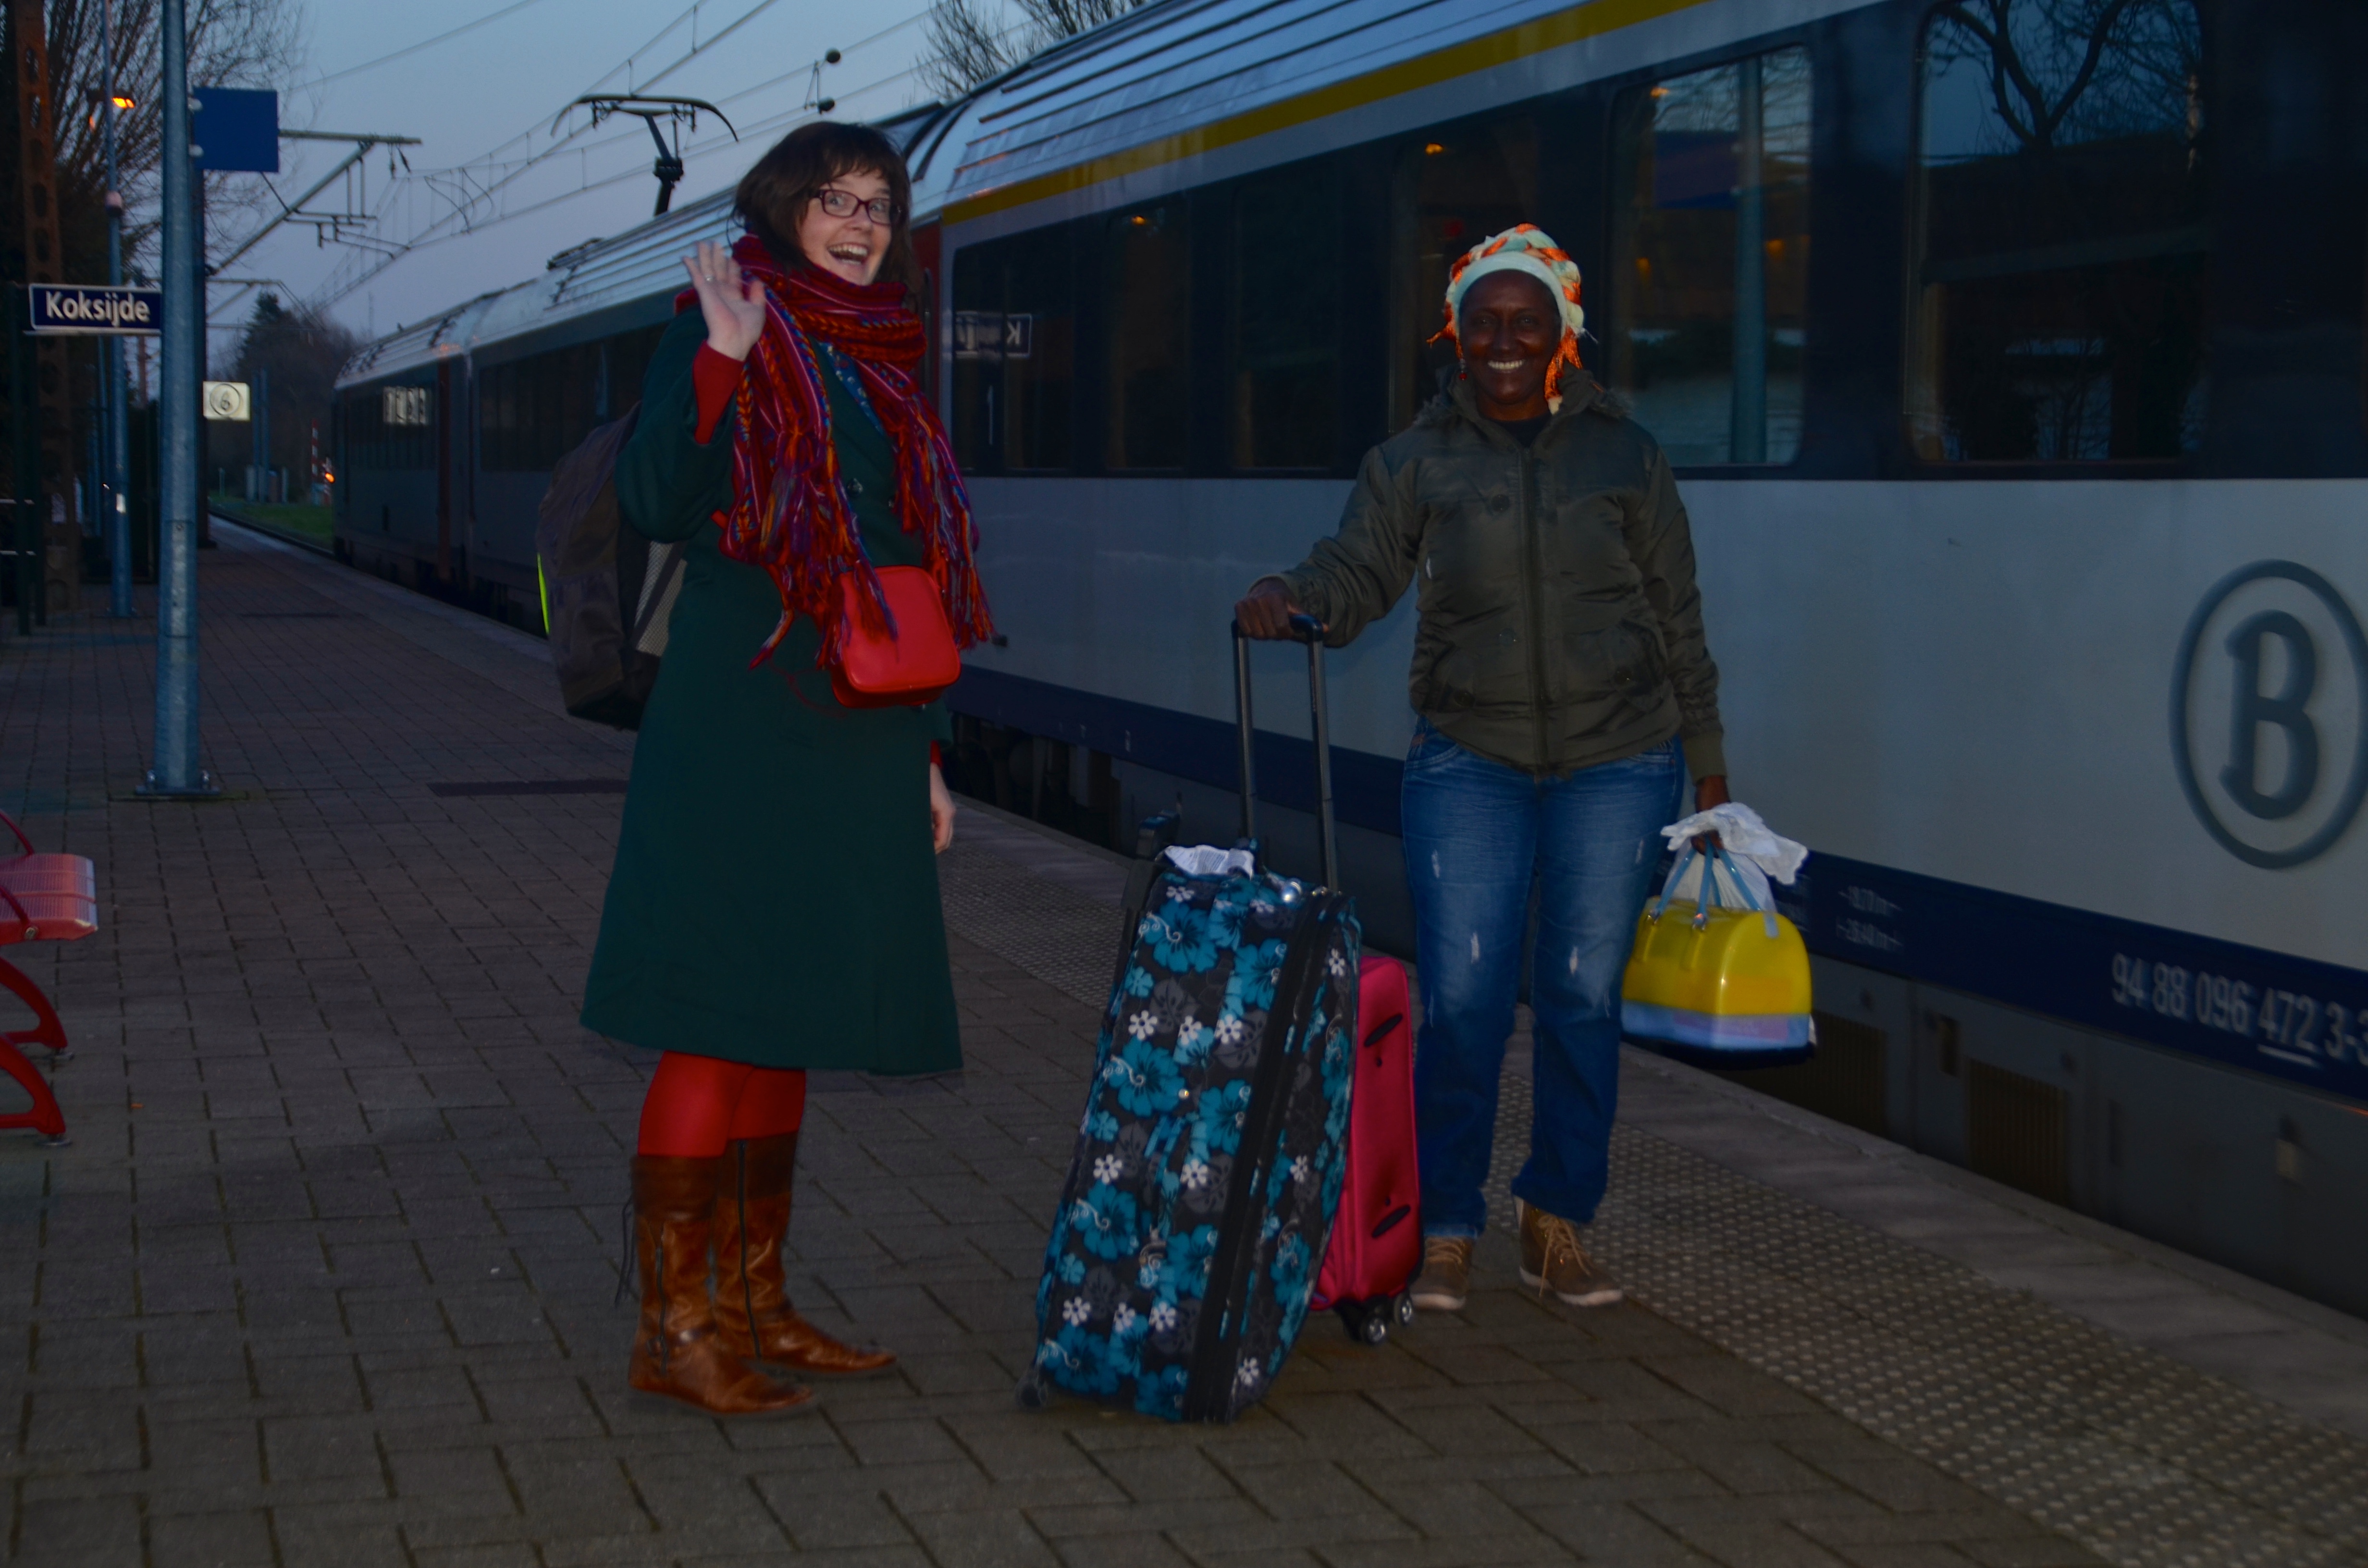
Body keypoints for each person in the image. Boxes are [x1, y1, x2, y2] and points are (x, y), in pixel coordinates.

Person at [1234, 225, 1727, 1314]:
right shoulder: (1413, 461)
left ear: (1564, 332)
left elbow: (1676, 614)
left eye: (1527, 319)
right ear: (1455, 333)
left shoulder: (1628, 456)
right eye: (1483, 321)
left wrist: (1708, 765)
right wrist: (1293, 593)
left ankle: (1556, 1222)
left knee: (1581, 999)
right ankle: (1445, 1222)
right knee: (1459, 1001)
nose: (1503, 339)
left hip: (1621, 761)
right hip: (1470, 761)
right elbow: (1356, 569)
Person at [582, 122, 991, 1416]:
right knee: (718, 1013)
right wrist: (719, 357)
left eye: (878, 202)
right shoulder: (727, 324)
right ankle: (675, 1328)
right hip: (744, 715)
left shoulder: (879, 364)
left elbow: (901, 567)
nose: (861, 222)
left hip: (858, 718)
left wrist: (923, 759)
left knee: (793, 1016)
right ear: (784, 209)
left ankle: (757, 1305)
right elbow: (653, 494)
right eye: (835, 201)